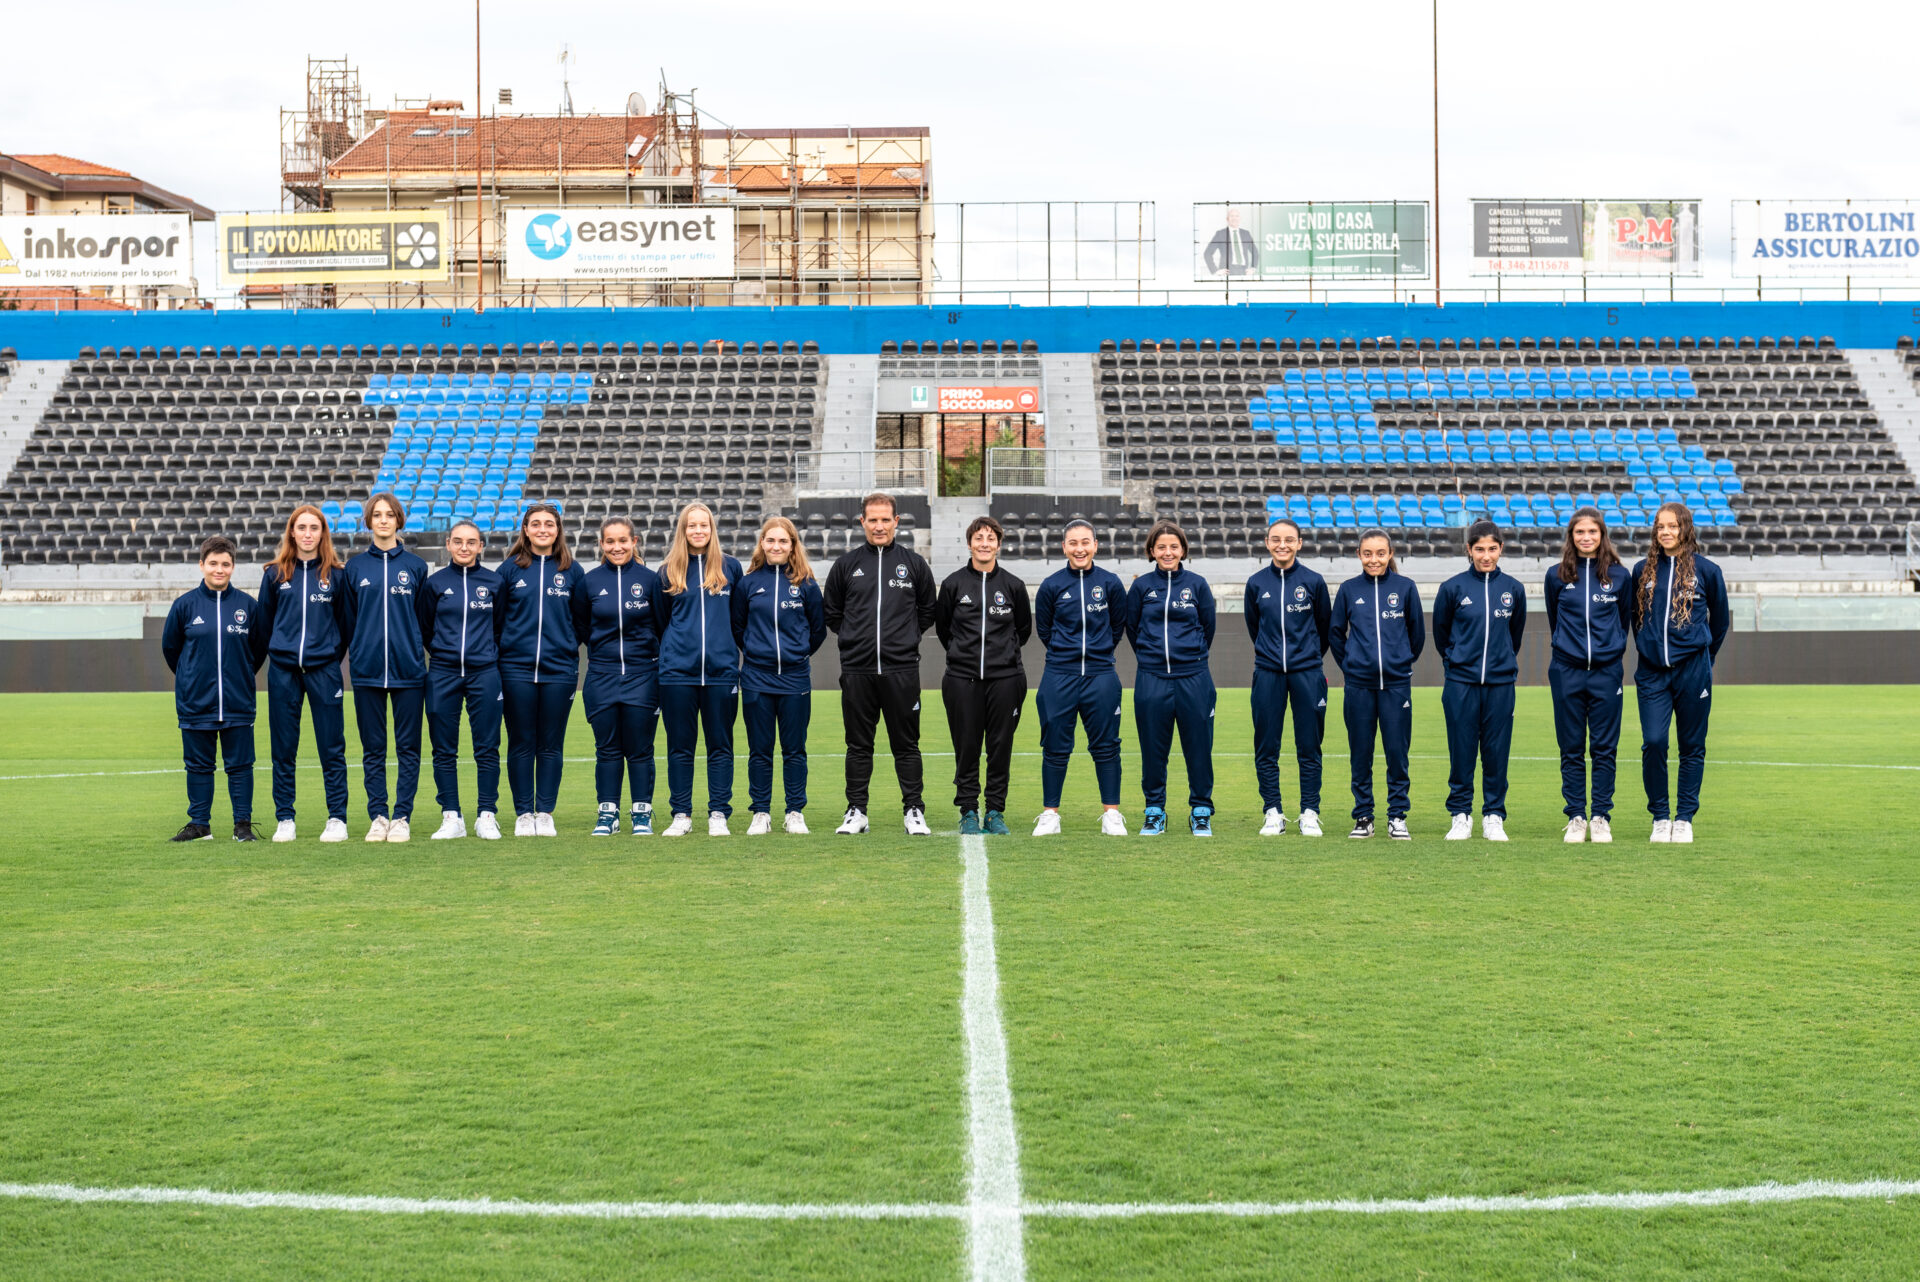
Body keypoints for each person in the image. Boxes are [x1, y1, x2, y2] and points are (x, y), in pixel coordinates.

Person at [821, 492, 938, 836]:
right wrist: (856, 640)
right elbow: (833, 613)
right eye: (872, 519)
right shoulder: (846, 565)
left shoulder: (914, 564)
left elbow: (928, 611)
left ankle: (914, 810)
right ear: (862, 523)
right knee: (858, 745)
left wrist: (904, 639)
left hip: (901, 671)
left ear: (896, 522)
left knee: (906, 744)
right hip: (857, 671)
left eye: (885, 519)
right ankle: (856, 810)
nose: (879, 526)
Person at [1630, 502, 1730, 844]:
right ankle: (1660, 816)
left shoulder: (1708, 570)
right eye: (1660, 527)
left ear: (1685, 528)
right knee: (1654, 742)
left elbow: (1720, 621)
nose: (1666, 532)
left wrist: (1704, 656)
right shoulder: (1642, 570)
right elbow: (1635, 620)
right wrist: (1649, 647)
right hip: (1652, 674)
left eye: (1672, 526)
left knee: (1691, 745)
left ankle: (1684, 817)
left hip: (1693, 671)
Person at [338, 492, 430, 843]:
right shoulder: (356, 568)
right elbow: (348, 622)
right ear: (369, 521)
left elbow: (424, 620)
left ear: (398, 521)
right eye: (376, 515)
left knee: (408, 748)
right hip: (367, 671)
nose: (383, 521)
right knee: (373, 748)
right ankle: (378, 815)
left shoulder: (417, 567)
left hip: (409, 672)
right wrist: (358, 652)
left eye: (389, 515)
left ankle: (402, 816)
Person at [256, 504, 351, 842]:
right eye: (302, 527)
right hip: (283, 673)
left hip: (324, 671)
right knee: (283, 748)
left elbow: (345, 627)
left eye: (315, 528)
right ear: (292, 533)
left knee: (331, 747)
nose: (308, 534)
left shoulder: (337, 576)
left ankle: (337, 818)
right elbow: (264, 627)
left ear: (322, 533)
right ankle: (285, 818)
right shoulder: (274, 575)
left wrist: (325, 657)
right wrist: (282, 656)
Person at [161, 535, 265, 841]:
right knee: (197, 765)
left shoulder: (248, 606)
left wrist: (241, 675)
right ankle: (199, 825)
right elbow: (171, 650)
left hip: (237, 702)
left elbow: (257, 651)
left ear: (233, 567)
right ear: (202, 565)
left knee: (241, 765)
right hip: (197, 703)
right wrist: (192, 679)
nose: (219, 569)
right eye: (213, 563)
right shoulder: (184, 606)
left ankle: (242, 826)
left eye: (225, 564)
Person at [934, 515, 1032, 835]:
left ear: (999, 545)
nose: (985, 543)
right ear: (970, 543)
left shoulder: (1014, 586)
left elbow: (1023, 631)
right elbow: (944, 630)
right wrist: (965, 657)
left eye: (991, 538)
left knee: (1000, 747)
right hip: (962, 679)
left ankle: (995, 811)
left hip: (1006, 679)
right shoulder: (952, 585)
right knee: (967, 746)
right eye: (979, 538)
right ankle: (968, 811)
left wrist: (999, 659)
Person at [1431, 520, 1527, 842]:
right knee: (1462, 751)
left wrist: (1499, 664)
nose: (1486, 555)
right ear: (1469, 550)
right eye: (1479, 549)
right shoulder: (1453, 588)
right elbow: (1441, 635)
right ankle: (1460, 815)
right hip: (1461, 684)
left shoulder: (1513, 589)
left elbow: (1514, 637)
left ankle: (1494, 816)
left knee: (1496, 752)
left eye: (1492, 549)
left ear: (1501, 549)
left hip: (1500, 685)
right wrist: (1457, 661)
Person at [1032, 520, 1129, 836]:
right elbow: (1044, 630)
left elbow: (1117, 629)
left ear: (1096, 545)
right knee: (1055, 746)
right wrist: (1068, 655)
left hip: (1101, 675)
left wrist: (1096, 654)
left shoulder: (1111, 583)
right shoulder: (1051, 585)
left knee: (1106, 746)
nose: (1079, 548)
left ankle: (1112, 814)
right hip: (1059, 674)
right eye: (1073, 542)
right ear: (1064, 547)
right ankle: (1050, 814)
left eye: (1085, 542)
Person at [732, 516, 827, 835]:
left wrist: (796, 654)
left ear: (792, 546)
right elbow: (738, 628)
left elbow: (817, 631)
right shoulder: (747, 584)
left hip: (795, 679)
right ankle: (760, 812)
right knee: (760, 750)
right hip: (756, 679)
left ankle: (794, 811)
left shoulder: (807, 584)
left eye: (783, 541)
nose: (776, 546)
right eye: (770, 540)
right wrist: (758, 653)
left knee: (794, 749)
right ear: (762, 544)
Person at [653, 502, 743, 837]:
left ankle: (718, 812)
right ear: (683, 530)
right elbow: (661, 622)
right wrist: (677, 652)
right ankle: (681, 814)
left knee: (720, 745)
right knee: (680, 746)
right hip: (678, 674)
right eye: (691, 526)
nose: (698, 531)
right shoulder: (667, 571)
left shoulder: (730, 568)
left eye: (703, 525)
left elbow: (737, 620)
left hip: (721, 674)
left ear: (712, 528)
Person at [1329, 529, 1425, 840]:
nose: (1374, 559)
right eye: (1368, 554)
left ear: (1390, 554)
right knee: (1361, 752)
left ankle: (1397, 815)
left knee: (1397, 752)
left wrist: (1401, 661)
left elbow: (1417, 634)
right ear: (1359, 555)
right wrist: (1352, 664)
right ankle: (1363, 816)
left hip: (1396, 686)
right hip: (1358, 686)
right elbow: (1335, 634)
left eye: (1380, 553)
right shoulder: (1348, 589)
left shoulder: (1405, 588)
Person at [495, 503, 585, 837]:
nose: (543, 529)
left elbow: (581, 622)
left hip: (559, 672)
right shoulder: (509, 570)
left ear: (558, 529)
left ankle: (544, 811)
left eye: (549, 524)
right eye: (536, 524)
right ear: (526, 529)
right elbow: (497, 619)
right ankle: (523, 813)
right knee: (520, 742)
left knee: (550, 744)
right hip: (515, 670)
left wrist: (564, 647)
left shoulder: (572, 571)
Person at [1545, 507, 1633, 844]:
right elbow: (1556, 620)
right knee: (1571, 748)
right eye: (1580, 532)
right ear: (1571, 536)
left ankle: (1600, 816)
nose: (1586, 537)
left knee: (1604, 748)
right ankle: (1576, 816)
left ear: (1602, 535)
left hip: (1607, 673)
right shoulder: (1556, 576)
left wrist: (1607, 653)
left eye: (1592, 532)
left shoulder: (1620, 576)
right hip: (1566, 672)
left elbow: (1623, 621)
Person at [1125, 520, 1218, 836]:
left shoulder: (1197, 585)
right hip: (1152, 679)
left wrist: (1190, 656)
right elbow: (1132, 628)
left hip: (1194, 678)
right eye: (1161, 547)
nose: (1168, 552)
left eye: (1174, 546)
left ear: (1183, 550)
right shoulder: (1141, 588)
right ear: (1152, 551)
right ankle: (1154, 811)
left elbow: (1208, 627)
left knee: (1199, 748)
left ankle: (1201, 810)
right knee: (1153, 749)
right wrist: (1152, 657)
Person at [571, 517, 661, 837]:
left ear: (634, 542)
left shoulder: (651, 580)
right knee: (607, 749)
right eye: (610, 541)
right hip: (602, 676)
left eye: (623, 540)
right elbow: (582, 626)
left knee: (639, 748)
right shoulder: (589, 581)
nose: (617, 547)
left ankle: (641, 813)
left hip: (643, 675)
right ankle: (607, 812)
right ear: (601, 545)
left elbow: (662, 626)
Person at [417, 520, 506, 840]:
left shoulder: (494, 583)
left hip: (485, 673)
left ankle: (486, 814)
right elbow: (426, 628)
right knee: (443, 749)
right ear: (448, 545)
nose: (464, 547)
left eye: (471, 542)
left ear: (481, 546)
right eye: (458, 542)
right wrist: (444, 653)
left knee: (487, 747)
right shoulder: (435, 584)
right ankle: (451, 816)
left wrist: (484, 653)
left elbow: (500, 627)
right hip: (442, 672)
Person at [1244, 517, 1332, 837]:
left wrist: (1304, 659)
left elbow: (1324, 629)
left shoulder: (1314, 581)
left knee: (1309, 746)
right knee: (1267, 747)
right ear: (1267, 543)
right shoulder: (1256, 583)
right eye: (1276, 539)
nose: (1282, 544)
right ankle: (1273, 812)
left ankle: (1309, 811)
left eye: (1289, 539)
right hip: (1267, 674)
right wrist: (1273, 657)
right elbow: (1255, 627)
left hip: (1307, 673)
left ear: (1299, 543)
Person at [1203, 206, 1260, 277]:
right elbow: (1207, 253)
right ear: (1227, 219)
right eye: (1232, 216)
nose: (1234, 218)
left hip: (1244, 272)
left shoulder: (1246, 233)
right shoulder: (1220, 234)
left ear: (1240, 218)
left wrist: (1253, 268)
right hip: (1227, 272)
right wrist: (1215, 271)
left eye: (1237, 216)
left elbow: (1255, 252)